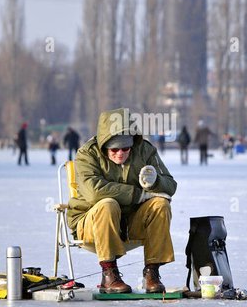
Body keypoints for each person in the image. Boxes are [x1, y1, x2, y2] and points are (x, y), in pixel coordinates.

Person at [67, 108, 177, 293]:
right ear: (104, 145)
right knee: (107, 204)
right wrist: (138, 195)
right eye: (114, 149)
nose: (120, 153)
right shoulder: (87, 154)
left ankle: (152, 272)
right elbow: (94, 192)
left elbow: (171, 186)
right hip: (91, 222)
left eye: (125, 148)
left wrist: (156, 181)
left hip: (129, 222)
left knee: (160, 204)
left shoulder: (145, 151)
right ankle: (109, 273)